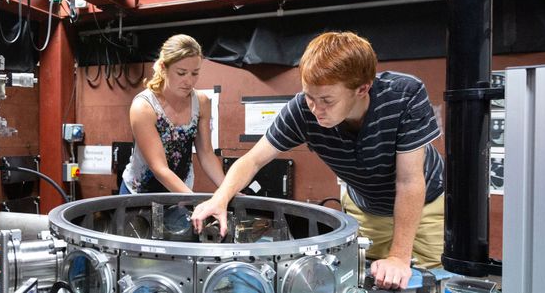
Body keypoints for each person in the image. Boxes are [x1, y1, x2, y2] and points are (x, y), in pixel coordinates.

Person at [189, 32, 444, 290]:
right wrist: (219, 199)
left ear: (362, 88)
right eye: (309, 96)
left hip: (424, 208)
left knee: (421, 281)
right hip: (366, 208)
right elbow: (252, 160)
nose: (315, 108)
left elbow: (409, 181)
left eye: (326, 100)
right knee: (367, 279)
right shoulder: (302, 109)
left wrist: (399, 257)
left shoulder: (404, 96)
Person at [120, 34, 225, 194]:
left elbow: (206, 153)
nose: (189, 81)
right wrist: (193, 201)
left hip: (180, 192)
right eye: (181, 73)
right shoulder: (144, 107)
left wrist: (228, 191)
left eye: (195, 73)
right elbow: (159, 168)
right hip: (139, 193)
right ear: (163, 67)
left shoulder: (201, 102)